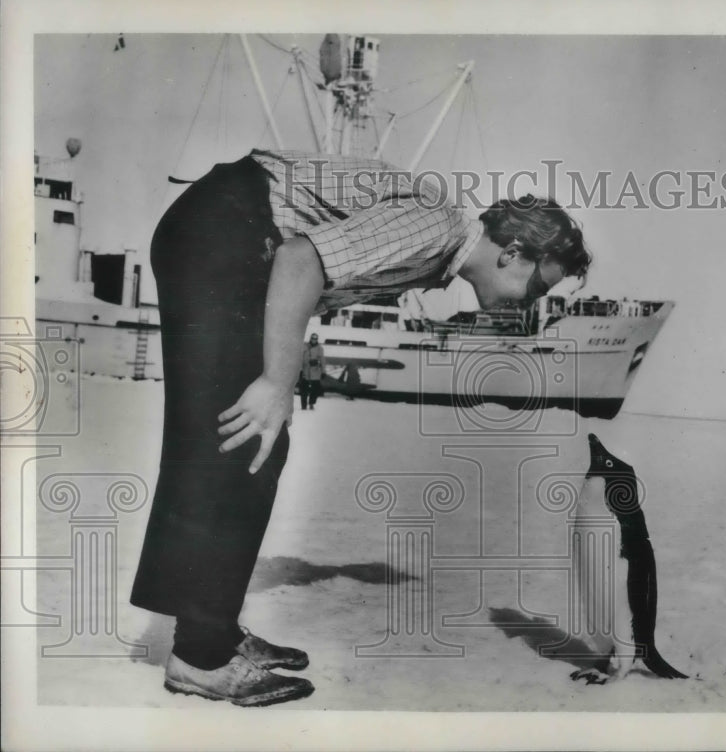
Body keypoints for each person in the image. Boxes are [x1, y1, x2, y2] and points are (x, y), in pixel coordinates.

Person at [129, 149, 592, 706]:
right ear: (514, 252)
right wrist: (277, 382)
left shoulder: (437, 248)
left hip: (225, 231)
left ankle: (213, 632)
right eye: (540, 288)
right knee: (240, 440)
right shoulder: (437, 225)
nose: (534, 303)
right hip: (222, 230)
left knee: (248, 444)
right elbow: (300, 259)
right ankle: (199, 658)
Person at [299, 333, 324, 409]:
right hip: (305, 371)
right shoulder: (304, 347)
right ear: (310, 338)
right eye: (313, 338)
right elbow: (300, 358)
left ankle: (311, 403)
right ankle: (303, 406)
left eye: (315, 339)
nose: (314, 340)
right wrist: (300, 370)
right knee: (304, 390)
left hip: (315, 372)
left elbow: (322, 360)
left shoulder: (320, 348)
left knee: (316, 389)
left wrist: (323, 371)